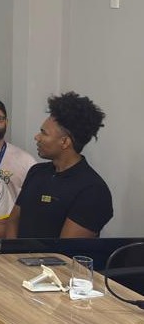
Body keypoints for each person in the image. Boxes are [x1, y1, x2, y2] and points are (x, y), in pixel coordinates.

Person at [9, 92, 112, 238]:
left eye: (44, 133)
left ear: (64, 142)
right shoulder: (36, 172)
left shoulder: (93, 190)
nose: (37, 137)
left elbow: (67, 247)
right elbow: (13, 221)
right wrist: (12, 250)